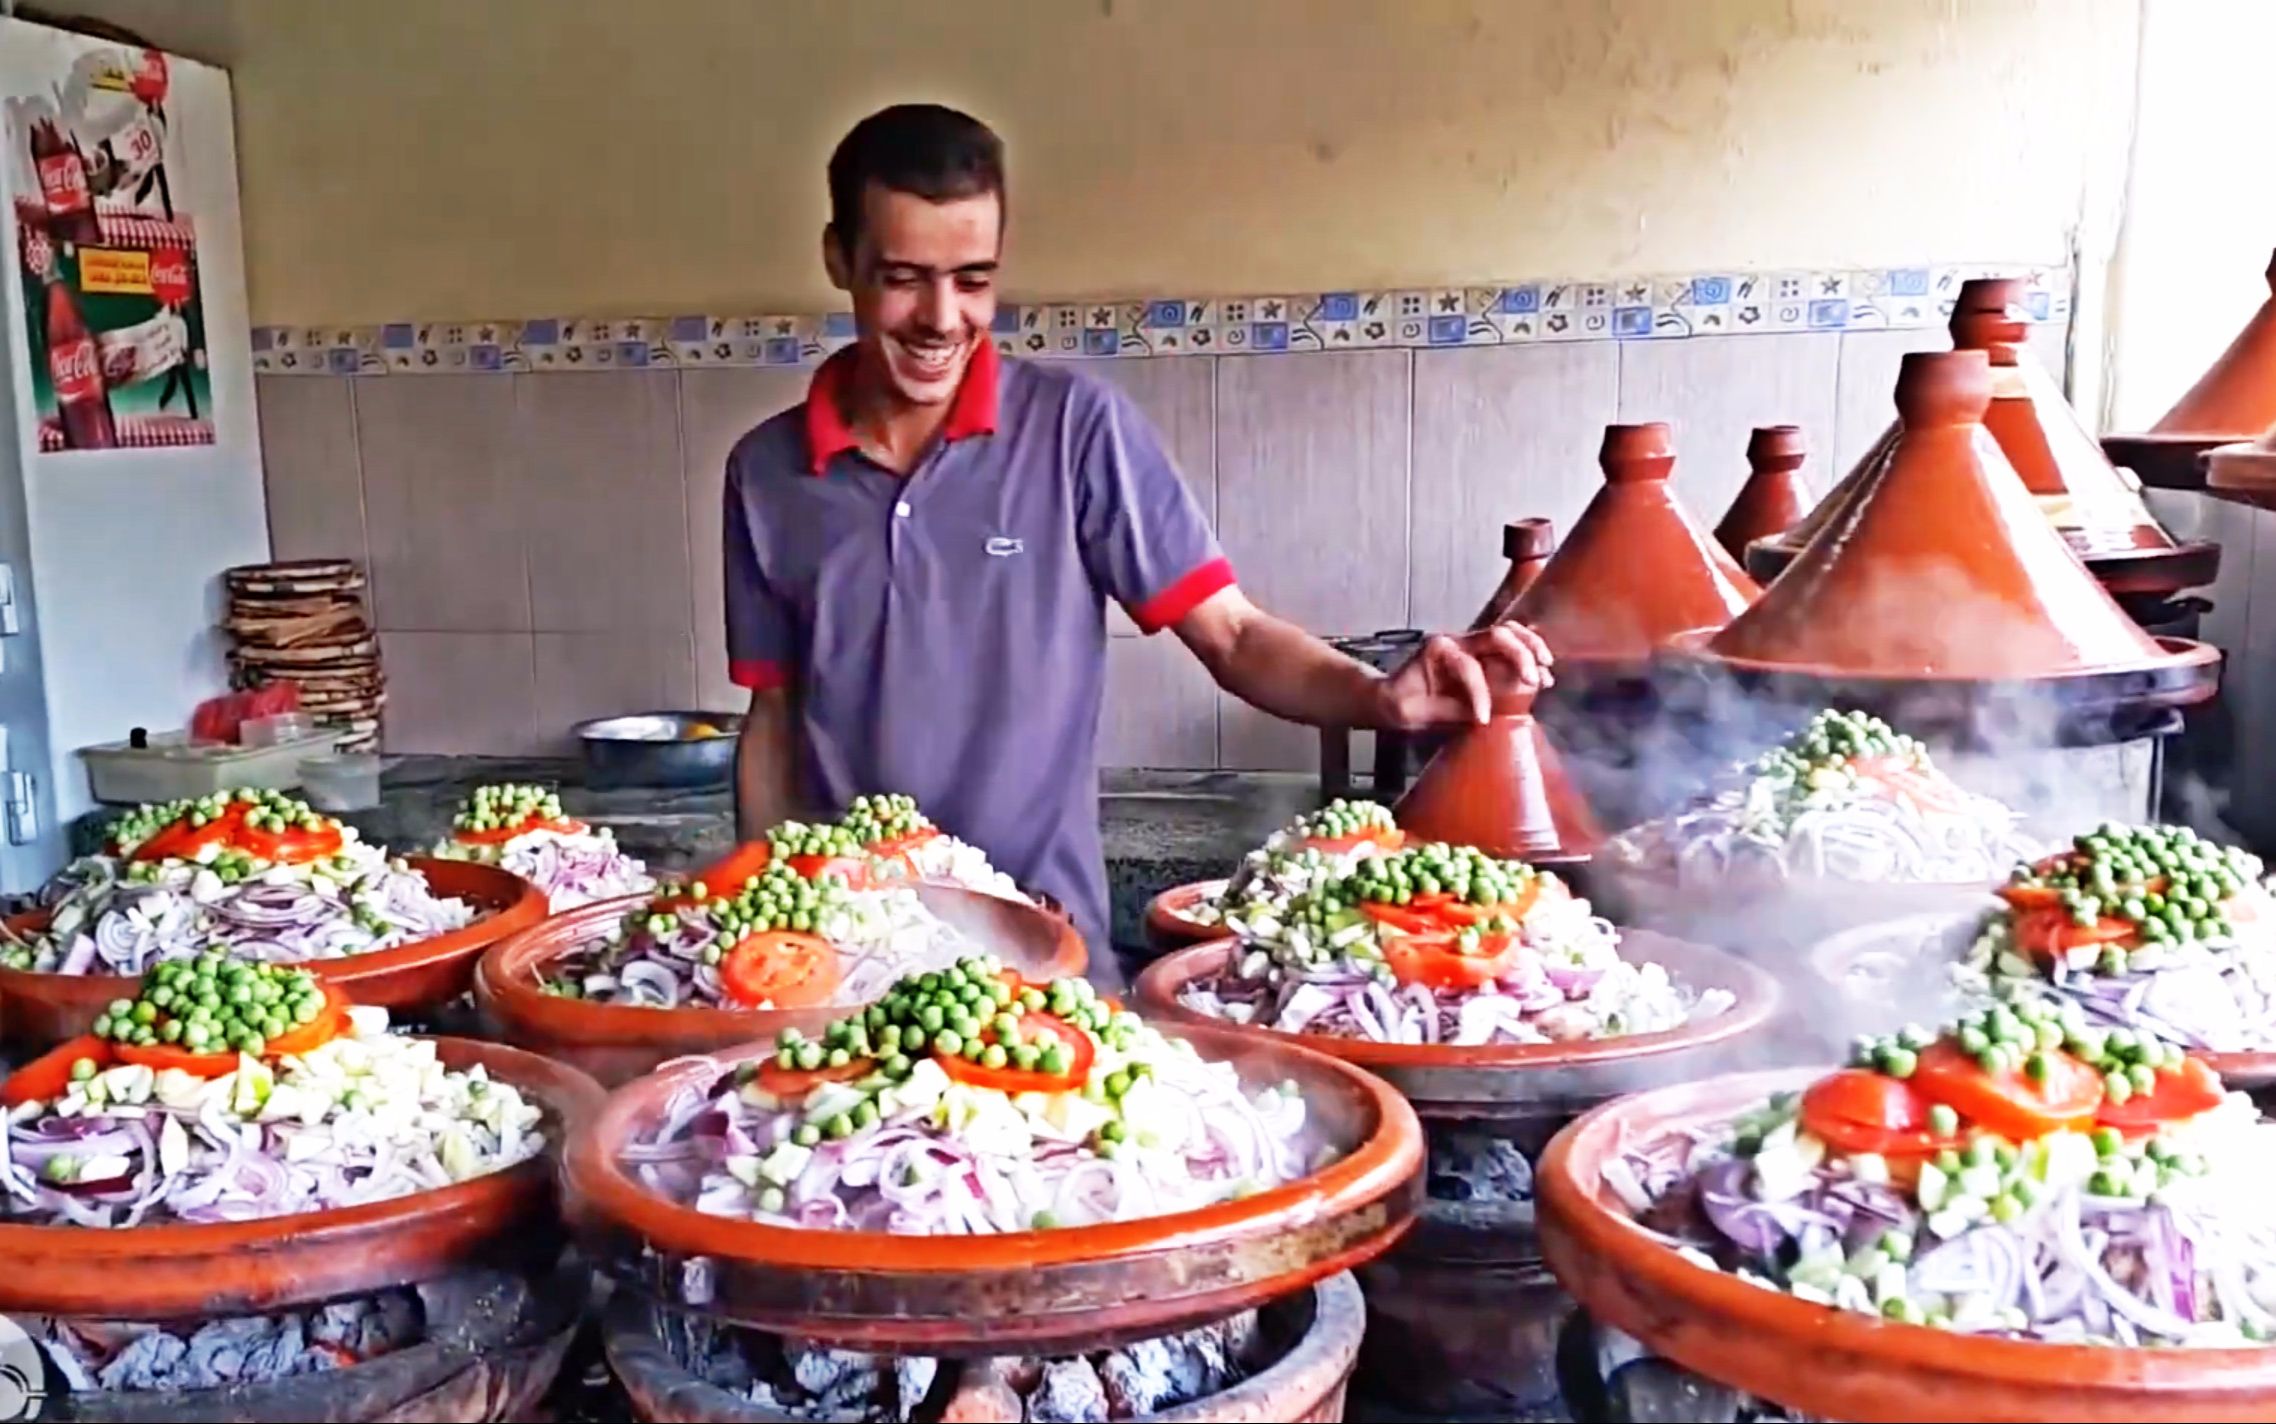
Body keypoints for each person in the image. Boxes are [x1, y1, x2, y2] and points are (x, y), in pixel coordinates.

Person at [724, 103, 1554, 973]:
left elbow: (1232, 634)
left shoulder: (1076, 431)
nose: (943, 317)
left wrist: (1380, 695)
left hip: (1048, 960)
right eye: (903, 277)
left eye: (973, 279)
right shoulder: (766, 472)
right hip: (851, 960)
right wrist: (764, 929)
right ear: (837, 260)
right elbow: (774, 722)